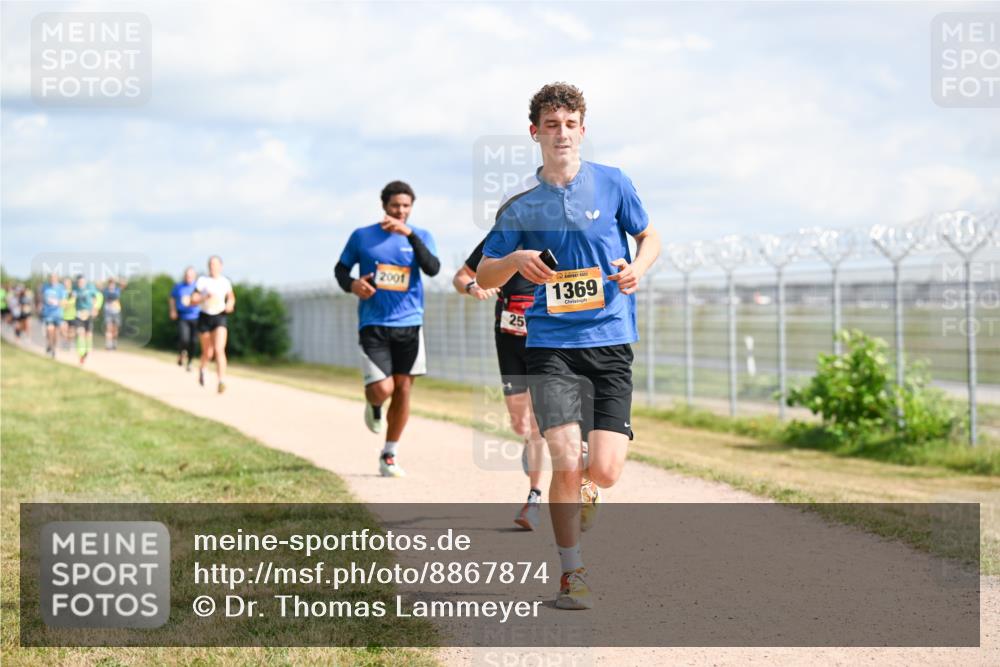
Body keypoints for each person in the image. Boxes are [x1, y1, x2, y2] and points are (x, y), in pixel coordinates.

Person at [477, 83, 661, 610]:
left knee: (603, 470)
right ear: (535, 133)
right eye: (551, 125)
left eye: (570, 124)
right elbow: (488, 269)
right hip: (550, 344)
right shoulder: (520, 208)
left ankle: (587, 484)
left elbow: (650, 237)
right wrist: (515, 261)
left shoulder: (613, 183)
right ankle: (571, 574)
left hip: (610, 339)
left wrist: (637, 269)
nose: (562, 134)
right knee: (563, 457)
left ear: (583, 130)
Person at [334, 180, 440, 477]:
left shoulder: (421, 235)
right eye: (395, 206)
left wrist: (410, 236)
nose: (400, 211)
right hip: (374, 322)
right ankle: (375, 405)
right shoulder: (362, 236)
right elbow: (341, 269)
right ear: (384, 206)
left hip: (410, 323)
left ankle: (389, 453)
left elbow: (432, 268)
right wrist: (353, 284)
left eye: (406, 206)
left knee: (404, 388)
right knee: (383, 388)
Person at [454, 238, 546, 530]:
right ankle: (529, 441)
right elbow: (461, 277)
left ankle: (534, 496)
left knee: (536, 423)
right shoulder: (500, 239)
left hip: (544, 339)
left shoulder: (554, 236)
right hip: (508, 340)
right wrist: (473, 287)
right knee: (521, 425)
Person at [190, 256, 235, 393]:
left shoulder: (225, 282)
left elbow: (231, 298)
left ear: (221, 266)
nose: (212, 267)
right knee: (207, 352)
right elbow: (193, 300)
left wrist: (230, 305)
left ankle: (221, 381)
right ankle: (203, 370)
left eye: (215, 264)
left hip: (220, 317)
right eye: (210, 264)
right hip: (205, 317)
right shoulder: (202, 281)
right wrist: (204, 297)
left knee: (219, 349)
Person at [169, 267, 201, 371]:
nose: (188, 277)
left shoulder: (198, 287)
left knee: (194, 341)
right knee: (184, 339)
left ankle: (190, 362)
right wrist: (173, 310)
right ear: (184, 276)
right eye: (187, 275)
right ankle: (182, 353)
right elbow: (172, 298)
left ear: (194, 276)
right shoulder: (178, 286)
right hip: (183, 316)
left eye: (191, 276)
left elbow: (203, 299)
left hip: (196, 317)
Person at [71, 275, 99, 364]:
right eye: (79, 282)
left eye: (82, 282)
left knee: (88, 335)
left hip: (88, 314)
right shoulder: (75, 290)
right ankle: (81, 354)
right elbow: (71, 299)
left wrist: (95, 309)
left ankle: (87, 352)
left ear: (85, 282)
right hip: (79, 314)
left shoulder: (90, 289)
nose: (81, 284)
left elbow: (96, 298)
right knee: (80, 333)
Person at [40, 273, 66, 358]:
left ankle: (53, 348)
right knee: (49, 330)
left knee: (56, 333)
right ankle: (50, 345)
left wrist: (56, 302)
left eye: (54, 278)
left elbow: (64, 301)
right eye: (51, 278)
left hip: (58, 313)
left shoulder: (61, 288)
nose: (52, 279)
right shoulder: (45, 287)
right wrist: (40, 305)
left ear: (57, 279)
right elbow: (41, 297)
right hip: (48, 313)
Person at [102, 277, 126, 350]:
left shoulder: (117, 290)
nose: (111, 285)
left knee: (115, 329)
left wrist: (117, 280)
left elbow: (124, 284)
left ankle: (114, 342)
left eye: (112, 283)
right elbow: (98, 284)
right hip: (108, 312)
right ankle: (108, 344)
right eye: (110, 283)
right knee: (108, 328)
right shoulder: (106, 290)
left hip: (116, 311)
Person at [60, 278, 76, 350]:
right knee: (63, 330)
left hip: (72, 315)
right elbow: (59, 302)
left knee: (71, 332)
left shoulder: (73, 292)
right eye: (65, 283)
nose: (66, 284)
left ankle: (69, 343)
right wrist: (63, 303)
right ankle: (65, 342)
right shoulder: (61, 292)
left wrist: (64, 303)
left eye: (68, 283)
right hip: (63, 315)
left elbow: (72, 302)